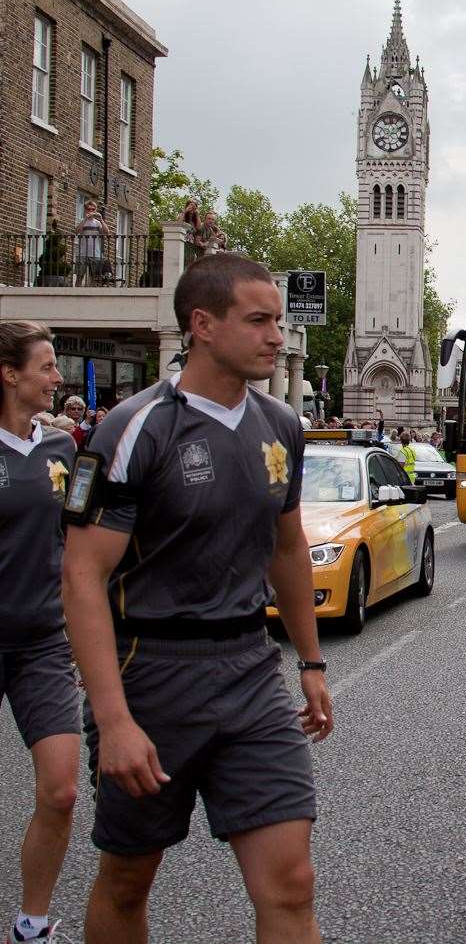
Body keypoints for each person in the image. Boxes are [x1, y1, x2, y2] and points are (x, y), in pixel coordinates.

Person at [63, 254, 332, 943]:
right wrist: (113, 718)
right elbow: (82, 575)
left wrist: (310, 660)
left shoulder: (281, 424)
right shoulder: (132, 428)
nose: (277, 336)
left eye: (278, 319)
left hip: (249, 670)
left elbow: (287, 546)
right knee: (128, 878)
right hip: (150, 674)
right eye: (259, 320)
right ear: (203, 324)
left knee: (292, 882)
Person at [0, 322, 79, 942]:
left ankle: (31, 924)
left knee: (59, 791)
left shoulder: (62, 451)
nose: (57, 378)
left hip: (42, 644)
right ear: (10, 374)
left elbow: (83, 541)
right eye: (47, 366)